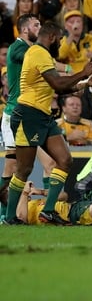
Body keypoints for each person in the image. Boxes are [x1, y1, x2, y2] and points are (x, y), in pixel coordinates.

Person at [4, 21, 92, 225]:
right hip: (27, 115)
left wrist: (86, 83)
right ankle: (9, 217)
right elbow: (58, 84)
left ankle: (48, 211)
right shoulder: (38, 52)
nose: (60, 43)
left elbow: (60, 88)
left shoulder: (43, 55)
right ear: (51, 37)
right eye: (59, 39)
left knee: (64, 160)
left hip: (43, 116)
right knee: (23, 168)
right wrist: (83, 72)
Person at [0, 15, 40, 221]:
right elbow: (42, 63)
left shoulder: (31, 49)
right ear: (25, 30)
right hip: (14, 113)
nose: (39, 28)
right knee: (13, 166)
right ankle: (4, 215)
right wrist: (69, 69)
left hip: (28, 113)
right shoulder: (18, 49)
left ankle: (9, 215)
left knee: (21, 166)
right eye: (36, 25)